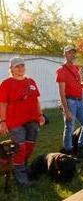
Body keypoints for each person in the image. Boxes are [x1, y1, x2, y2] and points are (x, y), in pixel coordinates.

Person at [0, 57, 45, 186]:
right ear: (11, 69)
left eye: (22, 66)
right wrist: (2, 121)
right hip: (15, 122)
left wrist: (40, 115)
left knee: (29, 148)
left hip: (32, 120)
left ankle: (21, 170)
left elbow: (36, 100)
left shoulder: (31, 81)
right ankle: (22, 180)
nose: (20, 68)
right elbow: (2, 103)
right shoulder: (6, 83)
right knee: (20, 149)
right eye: (17, 66)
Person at [56, 45, 83, 158]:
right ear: (65, 54)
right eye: (69, 53)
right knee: (69, 127)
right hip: (70, 101)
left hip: (80, 101)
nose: (71, 55)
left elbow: (78, 84)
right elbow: (61, 92)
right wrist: (66, 111)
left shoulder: (76, 68)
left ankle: (81, 147)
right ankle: (68, 151)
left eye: (73, 53)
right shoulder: (61, 70)